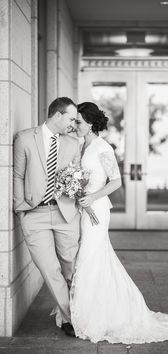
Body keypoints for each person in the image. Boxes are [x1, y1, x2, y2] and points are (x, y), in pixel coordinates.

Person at [68, 102, 168, 344]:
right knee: (94, 257)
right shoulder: (80, 146)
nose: (75, 126)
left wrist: (91, 196)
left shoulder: (103, 148)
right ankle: (92, 309)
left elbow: (115, 182)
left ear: (90, 123)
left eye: (78, 121)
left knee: (88, 257)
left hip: (97, 209)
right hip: (82, 209)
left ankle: (91, 315)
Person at [13, 97, 91, 337]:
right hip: (34, 215)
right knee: (50, 269)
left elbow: (76, 174)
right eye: (70, 118)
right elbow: (17, 174)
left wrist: (75, 189)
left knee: (69, 267)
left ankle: (72, 307)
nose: (73, 123)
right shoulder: (25, 138)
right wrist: (20, 207)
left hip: (65, 214)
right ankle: (71, 318)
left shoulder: (73, 143)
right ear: (57, 115)